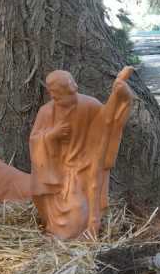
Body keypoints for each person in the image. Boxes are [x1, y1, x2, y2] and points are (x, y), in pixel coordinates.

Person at [29, 67, 134, 239]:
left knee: (76, 217)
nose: (66, 100)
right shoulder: (46, 111)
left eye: (70, 96)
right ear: (52, 95)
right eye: (60, 97)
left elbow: (109, 121)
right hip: (54, 173)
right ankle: (52, 227)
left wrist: (122, 98)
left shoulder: (89, 104)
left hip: (81, 170)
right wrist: (52, 135)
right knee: (41, 195)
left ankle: (81, 230)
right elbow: (35, 140)